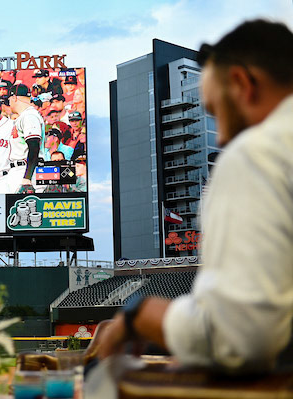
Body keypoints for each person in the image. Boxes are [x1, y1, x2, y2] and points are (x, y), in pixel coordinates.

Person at [98, 19, 293, 373]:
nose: (219, 140)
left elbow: (242, 337)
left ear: (243, 84)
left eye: (218, 114)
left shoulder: (258, 154)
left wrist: (139, 315)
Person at [7, 84, 45, 194]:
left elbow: (34, 147)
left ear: (14, 98)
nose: (9, 103)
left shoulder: (30, 116)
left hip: (26, 171)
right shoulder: (25, 116)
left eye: (9, 99)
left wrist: (27, 178)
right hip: (20, 170)